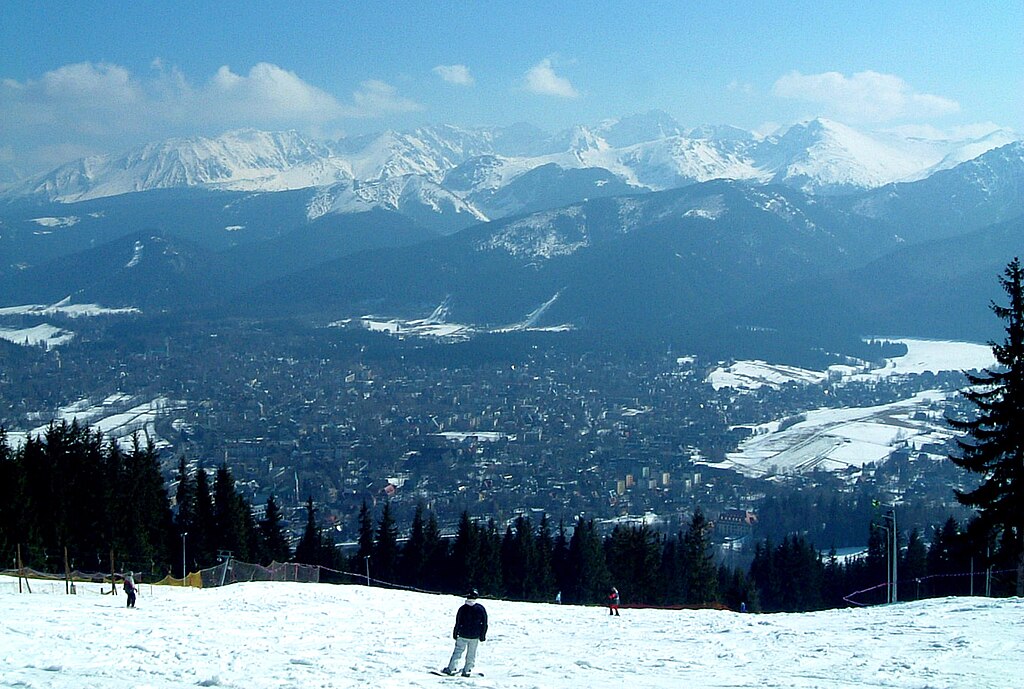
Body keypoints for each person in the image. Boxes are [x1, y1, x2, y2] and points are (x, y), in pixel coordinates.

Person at [442, 589, 488, 677]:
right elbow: (484, 623)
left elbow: (458, 622)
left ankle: (451, 668)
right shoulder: (480, 608)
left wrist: (455, 633)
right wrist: (483, 635)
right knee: (471, 653)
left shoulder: (462, 608)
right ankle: (467, 670)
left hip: (463, 634)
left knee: (458, 652)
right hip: (475, 635)